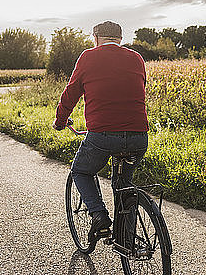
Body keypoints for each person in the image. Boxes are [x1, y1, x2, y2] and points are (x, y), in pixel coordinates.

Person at [52, 20, 149, 243]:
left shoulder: (88, 57)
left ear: (95, 38)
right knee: (125, 184)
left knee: (81, 171)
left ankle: (99, 216)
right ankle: (126, 240)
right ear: (120, 39)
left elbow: (70, 94)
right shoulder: (136, 58)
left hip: (103, 136)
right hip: (138, 136)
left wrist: (60, 121)